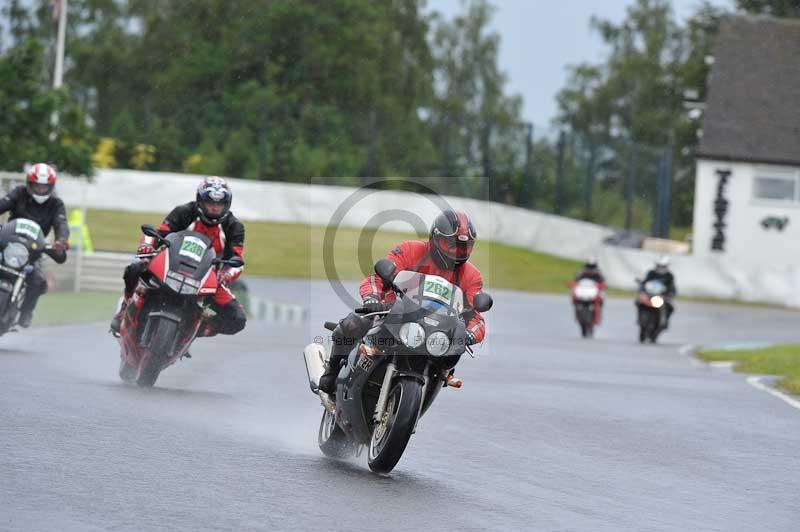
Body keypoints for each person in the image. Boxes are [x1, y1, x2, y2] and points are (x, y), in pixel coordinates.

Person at [318, 209, 487, 394]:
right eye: (450, 244)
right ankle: (332, 370)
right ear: (435, 238)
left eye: (464, 246)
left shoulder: (471, 275)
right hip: (393, 313)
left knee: (451, 355)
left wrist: (469, 334)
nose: (457, 251)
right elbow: (377, 278)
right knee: (353, 323)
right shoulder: (410, 250)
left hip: (437, 332)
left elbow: (476, 315)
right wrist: (372, 299)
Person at [110, 176, 246, 337]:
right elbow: (158, 233)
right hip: (169, 265)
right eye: (210, 203)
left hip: (207, 278)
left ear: (227, 205)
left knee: (237, 318)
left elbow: (237, 261)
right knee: (135, 267)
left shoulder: (234, 227)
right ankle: (124, 309)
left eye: (219, 204)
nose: (215, 208)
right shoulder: (185, 211)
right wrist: (146, 248)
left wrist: (224, 275)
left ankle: (194, 330)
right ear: (199, 201)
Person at [0, 163, 69, 328]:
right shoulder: (18, 193)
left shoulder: (56, 204)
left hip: (33, 250)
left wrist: (61, 240)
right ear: (29, 184)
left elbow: (61, 224)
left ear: (51, 187)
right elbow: (3, 204)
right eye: (37, 185)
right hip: (8, 241)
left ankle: (26, 311)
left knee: (38, 281)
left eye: (44, 187)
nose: (40, 190)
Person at [643, 255, 676, 322]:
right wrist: (642, 290)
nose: (660, 268)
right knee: (639, 302)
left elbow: (672, 287)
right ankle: (641, 318)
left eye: (663, 266)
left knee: (670, 307)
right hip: (650, 295)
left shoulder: (669, 276)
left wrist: (669, 294)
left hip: (662, 296)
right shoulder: (651, 273)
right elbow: (645, 283)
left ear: (666, 266)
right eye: (659, 266)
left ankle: (664, 320)